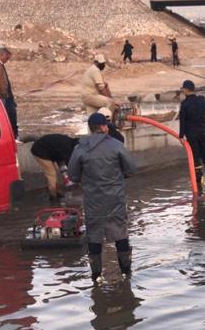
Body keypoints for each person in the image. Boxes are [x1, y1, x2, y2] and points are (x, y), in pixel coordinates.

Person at [68, 112, 137, 283]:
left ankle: (96, 277)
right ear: (104, 127)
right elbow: (130, 170)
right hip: (115, 200)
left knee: (94, 236)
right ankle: (126, 274)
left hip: (93, 202)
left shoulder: (80, 148)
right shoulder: (116, 145)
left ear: (91, 129)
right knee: (120, 233)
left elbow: (73, 175)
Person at [179, 80, 205, 194]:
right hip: (202, 132)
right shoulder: (201, 100)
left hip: (191, 134)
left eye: (183, 88)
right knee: (204, 153)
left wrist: (181, 136)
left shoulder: (184, 104)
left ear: (187, 89)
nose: (182, 90)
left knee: (195, 156)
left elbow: (182, 122)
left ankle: (199, 180)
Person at [30, 133, 79, 201]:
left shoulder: (70, 143)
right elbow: (70, 165)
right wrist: (76, 178)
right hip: (40, 151)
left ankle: (57, 192)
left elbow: (62, 162)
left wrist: (66, 175)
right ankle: (53, 196)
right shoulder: (68, 148)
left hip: (51, 151)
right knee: (51, 174)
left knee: (58, 171)